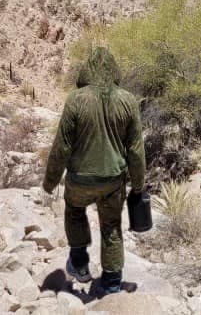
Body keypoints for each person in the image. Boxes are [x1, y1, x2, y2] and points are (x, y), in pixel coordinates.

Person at [42, 46, 146, 295]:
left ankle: (79, 263)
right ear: (113, 71)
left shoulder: (76, 100)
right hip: (113, 181)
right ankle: (111, 285)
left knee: (75, 211)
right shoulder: (128, 101)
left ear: (86, 72)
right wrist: (138, 185)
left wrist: (50, 181)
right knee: (111, 228)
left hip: (79, 180)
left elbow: (62, 146)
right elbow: (135, 149)